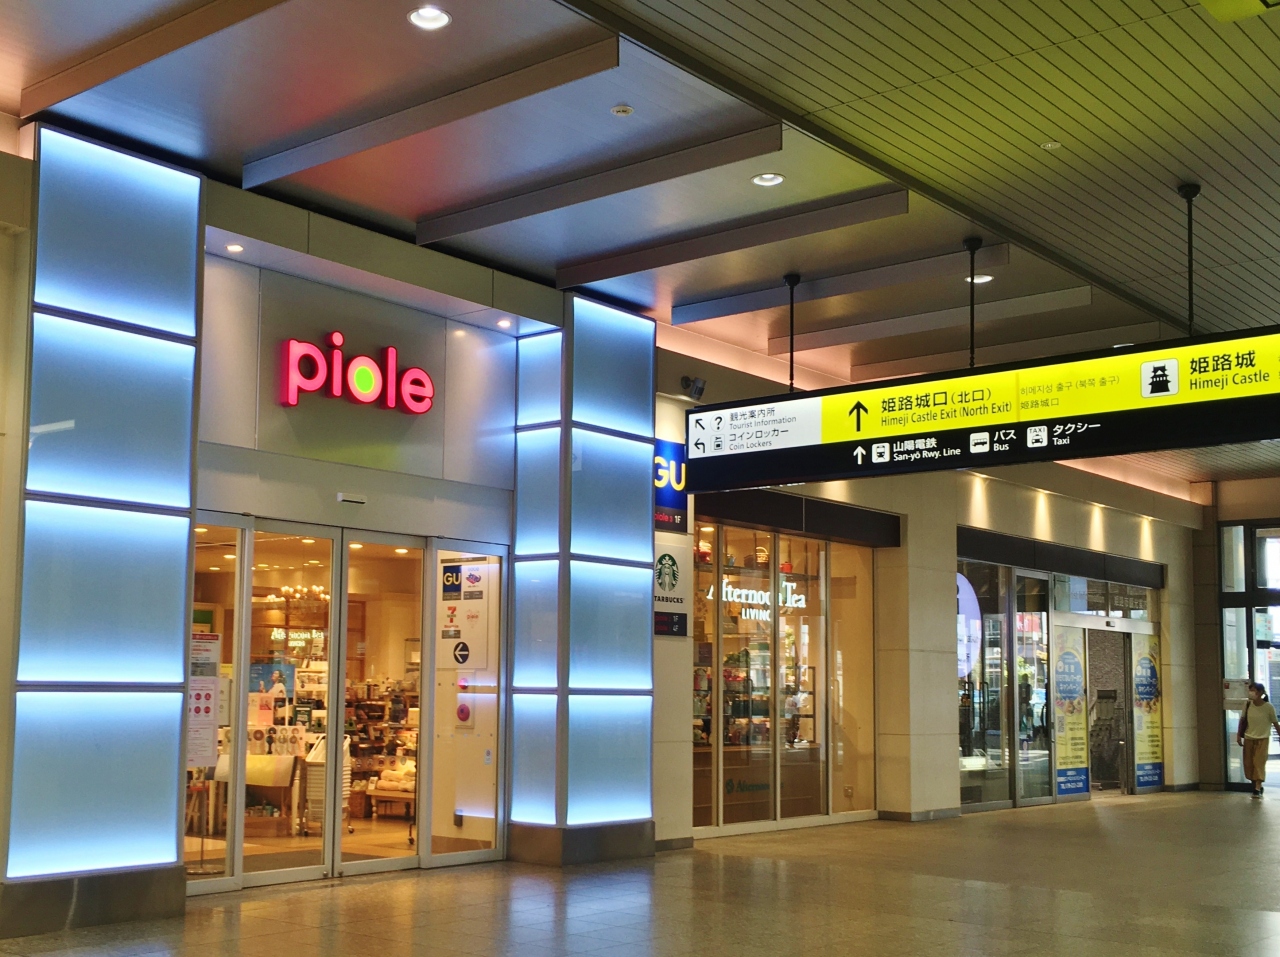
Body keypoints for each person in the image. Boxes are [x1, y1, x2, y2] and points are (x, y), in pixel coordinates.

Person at [1237, 682, 1280, 797]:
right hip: (1249, 738)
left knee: (1259, 763)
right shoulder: (1247, 705)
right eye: (1250, 690)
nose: (1251, 693)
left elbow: (1275, 723)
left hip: (1263, 739)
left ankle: (1257, 787)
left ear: (1260, 692)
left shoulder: (1268, 707)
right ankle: (1257, 784)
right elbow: (1242, 720)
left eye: (1253, 690)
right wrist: (1239, 735)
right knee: (1249, 764)